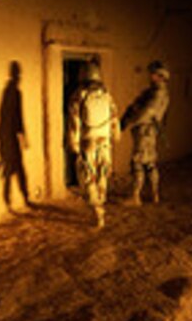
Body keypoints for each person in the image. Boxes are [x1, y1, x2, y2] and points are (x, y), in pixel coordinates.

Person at [66, 58, 119, 228]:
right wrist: (115, 135)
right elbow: (114, 118)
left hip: (87, 140)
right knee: (103, 173)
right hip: (105, 141)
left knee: (88, 176)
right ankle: (101, 202)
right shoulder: (106, 94)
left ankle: (97, 211)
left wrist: (73, 142)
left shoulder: (79, 94)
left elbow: (74, 120)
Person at [121, 60, 171, 206]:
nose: (151, 76)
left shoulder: (157, 94)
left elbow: (146, 113)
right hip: (150, 130)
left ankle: (135, 196)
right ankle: (154, 194)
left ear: (161, 76)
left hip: (144, 129)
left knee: (138, 162)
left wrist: (130, 122)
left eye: (154, 74)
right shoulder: (158, 93)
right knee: (150, 163)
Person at [0, 61, 31, 211]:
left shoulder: (9, 92)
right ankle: (16, 199)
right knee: (13, 169)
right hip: (8, 137)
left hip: (6, 137)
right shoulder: (14, 93)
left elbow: (5, 116)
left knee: (12, 169)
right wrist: (23, 137)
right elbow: (17, 117)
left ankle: (16, 198)